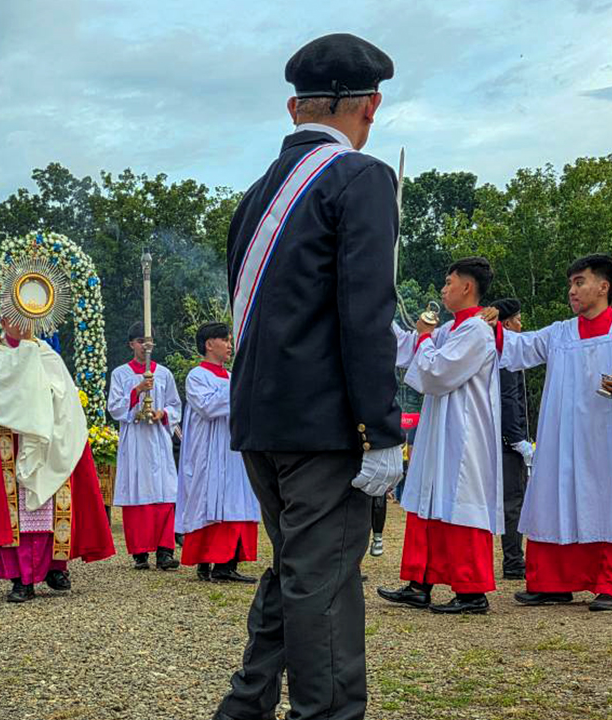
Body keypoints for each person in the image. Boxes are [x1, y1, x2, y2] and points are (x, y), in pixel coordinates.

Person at [217, 34, 404, 720]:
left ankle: (245, 707)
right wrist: (381, 430)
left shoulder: (254, 195)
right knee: (322, 587)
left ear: (295, 108)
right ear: (370, 107)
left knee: (296, 570)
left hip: (261, 421)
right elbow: (366, 314)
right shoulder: (361, 177)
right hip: (326, 429)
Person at [488, 254, 612, 611]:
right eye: (571, 284)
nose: (572, 291)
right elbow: (519, 347)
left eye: (579, 282)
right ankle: (553, 582)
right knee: (556, 499)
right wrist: (491, 326)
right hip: (567, 438)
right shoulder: (560, 332)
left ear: (603, 286)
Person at [378, 258, 503, 616]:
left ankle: (471, 590)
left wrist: (422, 338)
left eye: (449, 282)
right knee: (427, 498)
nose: (444, 289)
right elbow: (411, 349)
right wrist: (379, 314)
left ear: (467, 287)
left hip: (464, 432)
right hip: (439, 428)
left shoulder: (477, 331)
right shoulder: (450, 329)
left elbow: (436, 371)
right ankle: (420, 583)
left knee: (461, 501)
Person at [0, 319, 115, 602]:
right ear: (3, 321)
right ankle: (21, 578)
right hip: (9, 444)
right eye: (14, 318)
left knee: (51, 510)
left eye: (26, 318)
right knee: (16, 515)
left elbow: (64, 396)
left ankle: (54, 566)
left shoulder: (46, 353)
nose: (21, 324)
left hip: (45, 444)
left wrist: (44, 400)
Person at [175, 322, 260, 583]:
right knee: (206, 500)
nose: (229, 346)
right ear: (209, 344)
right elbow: (207, 407)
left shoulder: (234, 376)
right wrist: (241, 391)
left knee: (234, 500)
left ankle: (226, 562)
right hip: (208, 451)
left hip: (233, 449)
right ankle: (206, 561)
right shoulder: (197, 376)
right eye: (225, 340)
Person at [107, 321, 182, 570]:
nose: (145, 346)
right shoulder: (120, 374)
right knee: (137, 490)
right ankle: (140, 552)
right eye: (140, 341)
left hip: (158, 438)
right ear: (131, 344)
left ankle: (165, 551)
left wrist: (163, 413)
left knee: (165, 490)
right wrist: (137, 390)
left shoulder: (164, 374)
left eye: (148, 342)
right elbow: (115, 407)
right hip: (135, 438)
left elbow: (175, 404)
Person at [490, 298, 533, 580]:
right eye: (517, 320)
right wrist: (516, 438)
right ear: (506, 324)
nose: (521, 325)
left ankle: (512, 559)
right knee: (513, 501)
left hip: (499, 437)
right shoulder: (506, 355)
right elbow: (509, 398)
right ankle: (514, 562)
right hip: (507, 441)